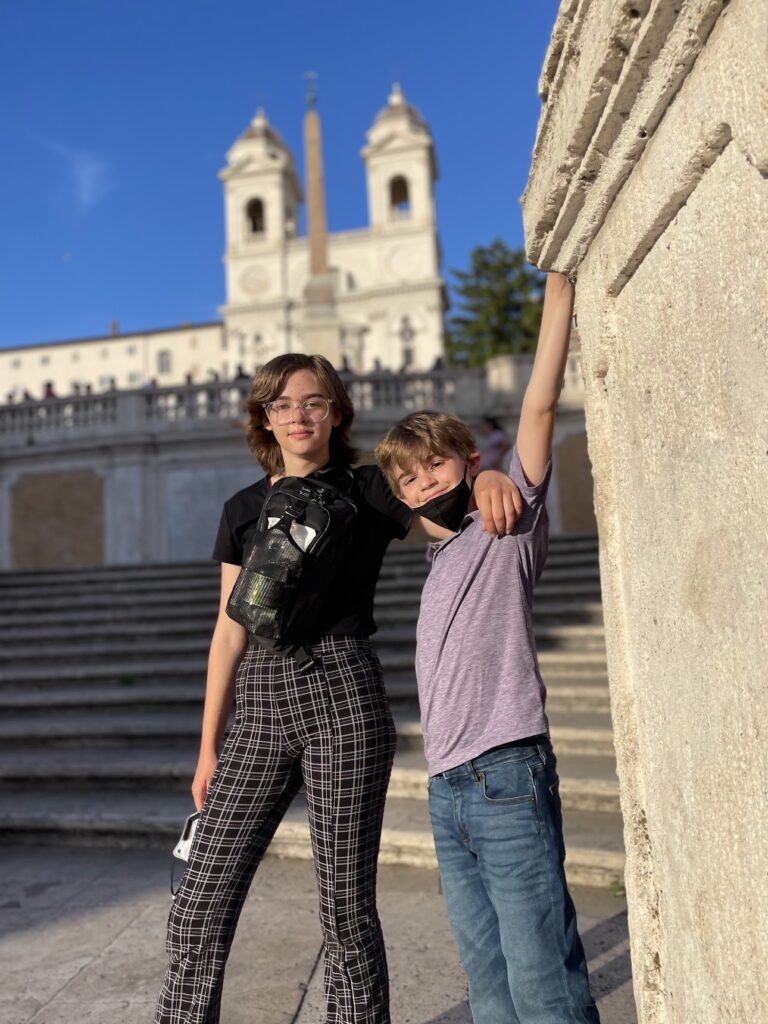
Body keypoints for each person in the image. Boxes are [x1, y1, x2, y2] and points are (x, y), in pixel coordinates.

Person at [154, 352, 522, 1024]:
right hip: (261, 708)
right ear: (265, 417)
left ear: (337, 411)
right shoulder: (242, 508)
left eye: (314, 401)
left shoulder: (369, 488)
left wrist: (488, 470)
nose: (298, 415)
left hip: (343, 695)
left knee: (345, 909)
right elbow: (228, 633)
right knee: (197, 902)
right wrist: (208, 749)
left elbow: (441, 498)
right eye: (283, 404)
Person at [375, 274, 600, 1023]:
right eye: (409, 477)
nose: (422, 480)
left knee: (543, 980)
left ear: (470, 458)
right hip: (448, 789)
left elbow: (538, 407)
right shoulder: (439, 559)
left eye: (436, 464)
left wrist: (559, 291)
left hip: (507, 771)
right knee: (489, 986)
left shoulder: (506, 525)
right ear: (401, 499)